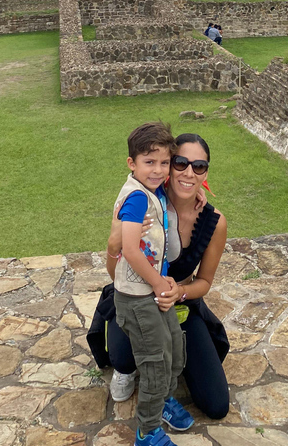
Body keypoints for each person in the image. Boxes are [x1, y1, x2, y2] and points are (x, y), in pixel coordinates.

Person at [88, 132, 230, 424]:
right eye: (180, 163)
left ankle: (167, 375)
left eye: (199, 167)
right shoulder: (148, 202)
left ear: (205, 173)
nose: (188, 173)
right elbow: (116, 273)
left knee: (216, 404)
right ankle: (135, 373)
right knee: (123, 358)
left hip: (178, 303)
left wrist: (178, 292)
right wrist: (114, 244)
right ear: (170, 166)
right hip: (134, 296)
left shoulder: (213, 222)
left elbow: (204, 283)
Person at [99, 123, 194, 446]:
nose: (158, 170)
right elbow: (128, 249)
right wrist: (158, 284)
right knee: (155, 363)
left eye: (164, 162)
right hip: (137, 297)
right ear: (132, 163)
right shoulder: (137, 198)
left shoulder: (153, 190)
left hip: (152, 289)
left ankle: (164, 400)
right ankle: (148, 431)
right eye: (149, 162)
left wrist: (162, 279)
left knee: (174, 350)